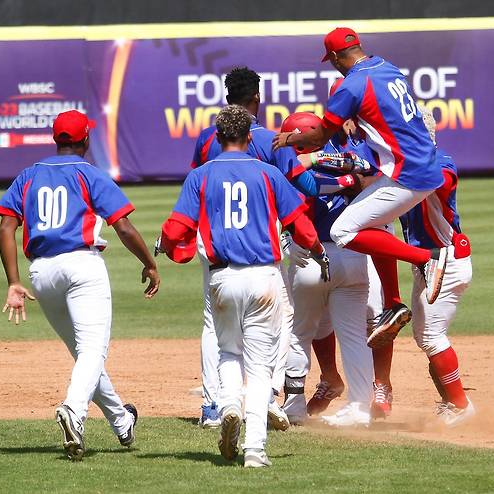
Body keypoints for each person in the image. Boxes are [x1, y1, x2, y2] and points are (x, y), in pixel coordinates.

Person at [159, 105, 328, 467]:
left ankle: (229, 405)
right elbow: (302, 227)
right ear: (250, 137)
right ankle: (255, 449)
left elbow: (175, 231)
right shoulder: (268, 173)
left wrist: (169, 245)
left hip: (222, 278)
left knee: (228, 352)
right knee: (261, 365)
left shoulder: (200, 176)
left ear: (218, 138)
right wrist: (316, 250)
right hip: (264, 277)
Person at [0, 110, 160, 461]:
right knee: (92, 352)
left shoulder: (29, 175)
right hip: (82, 267)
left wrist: (13, 282)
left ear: (57, 140)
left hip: (41, 273)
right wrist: (148, 263)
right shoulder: (89, 174)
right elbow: (124, 226)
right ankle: (73, 411)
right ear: (85, 140)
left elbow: (6, 228)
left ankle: (121, 422)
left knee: (85, 355)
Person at [273, 27, 448, 349]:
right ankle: (393, 303)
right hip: (423, 164)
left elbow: (319, 136)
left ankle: (427, 258)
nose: (334, 65)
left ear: (337, 57)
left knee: (343, 231)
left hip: (406, 172)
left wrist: (290, 140)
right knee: (375, 223)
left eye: (332, 61)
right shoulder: (386, 66)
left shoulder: (352, 84)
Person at [190, 67, 309, 430]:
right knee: (280, 317)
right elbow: (302, 185)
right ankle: (268, 394)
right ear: (257, 97)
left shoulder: (207, 139)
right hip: (262, 242)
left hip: (214, 239)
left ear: (227, 100)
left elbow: (198, 183)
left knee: (214, 325)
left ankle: (214, 406)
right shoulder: (272, 140)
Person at [371, 108, 475, 425]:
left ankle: (461, 407)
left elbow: (442, 182)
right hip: (427, 261)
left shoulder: (439, 161)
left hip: (445, 257)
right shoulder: (401, 168)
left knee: (431, 337)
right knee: (426, 336)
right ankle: (452, 403)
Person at [279, 111, 375, 427]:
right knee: (353, 337)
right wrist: (347, 179)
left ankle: (293, 406)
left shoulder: (286, 169)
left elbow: (304, 191)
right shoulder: (350, 159)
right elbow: (367, 177)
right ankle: (361, 408)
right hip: (352, 255)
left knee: (300, 334)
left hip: (310, 257)